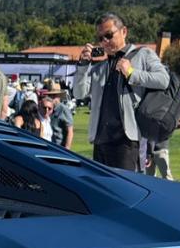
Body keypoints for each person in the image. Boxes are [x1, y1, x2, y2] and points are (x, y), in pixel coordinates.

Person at [73, 12, 170, 172]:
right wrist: (83, 66)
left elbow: (163, 79)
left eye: (109, 35)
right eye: (101, 38)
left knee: (126, 192)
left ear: (124, 31)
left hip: (127, 141)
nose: (105, 41)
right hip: (100, 140)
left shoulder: (143, 54)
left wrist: (132, 73)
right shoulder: (99, 68)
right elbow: (78, 93)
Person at [45, 82, 75, 148]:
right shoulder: (47, 109)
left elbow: (70, 131)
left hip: (59, 148)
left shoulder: (64, 109)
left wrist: (67, 148)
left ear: (59, 96)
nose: (52, 98)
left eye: (54, 95)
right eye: (50, 95)